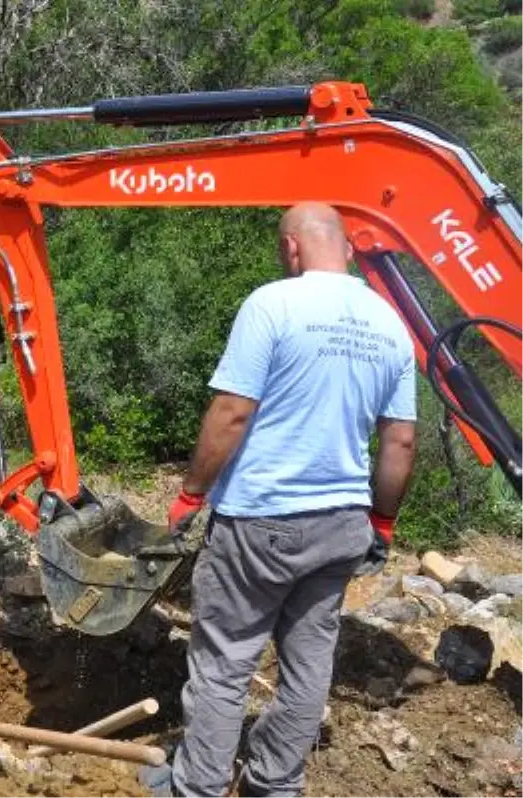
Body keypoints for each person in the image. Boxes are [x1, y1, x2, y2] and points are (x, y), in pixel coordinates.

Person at [164, 202, 417, 798]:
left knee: (225, 664)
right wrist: (381, 519)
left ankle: (198, 786)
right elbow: (400, 439)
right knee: (308, 667)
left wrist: (190, 493)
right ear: (349, 250)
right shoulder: (388, 323)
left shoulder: (273, 304)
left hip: (260, 519)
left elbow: (233, 411)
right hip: (341, 526)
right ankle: (275, 783)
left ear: (292, 249)